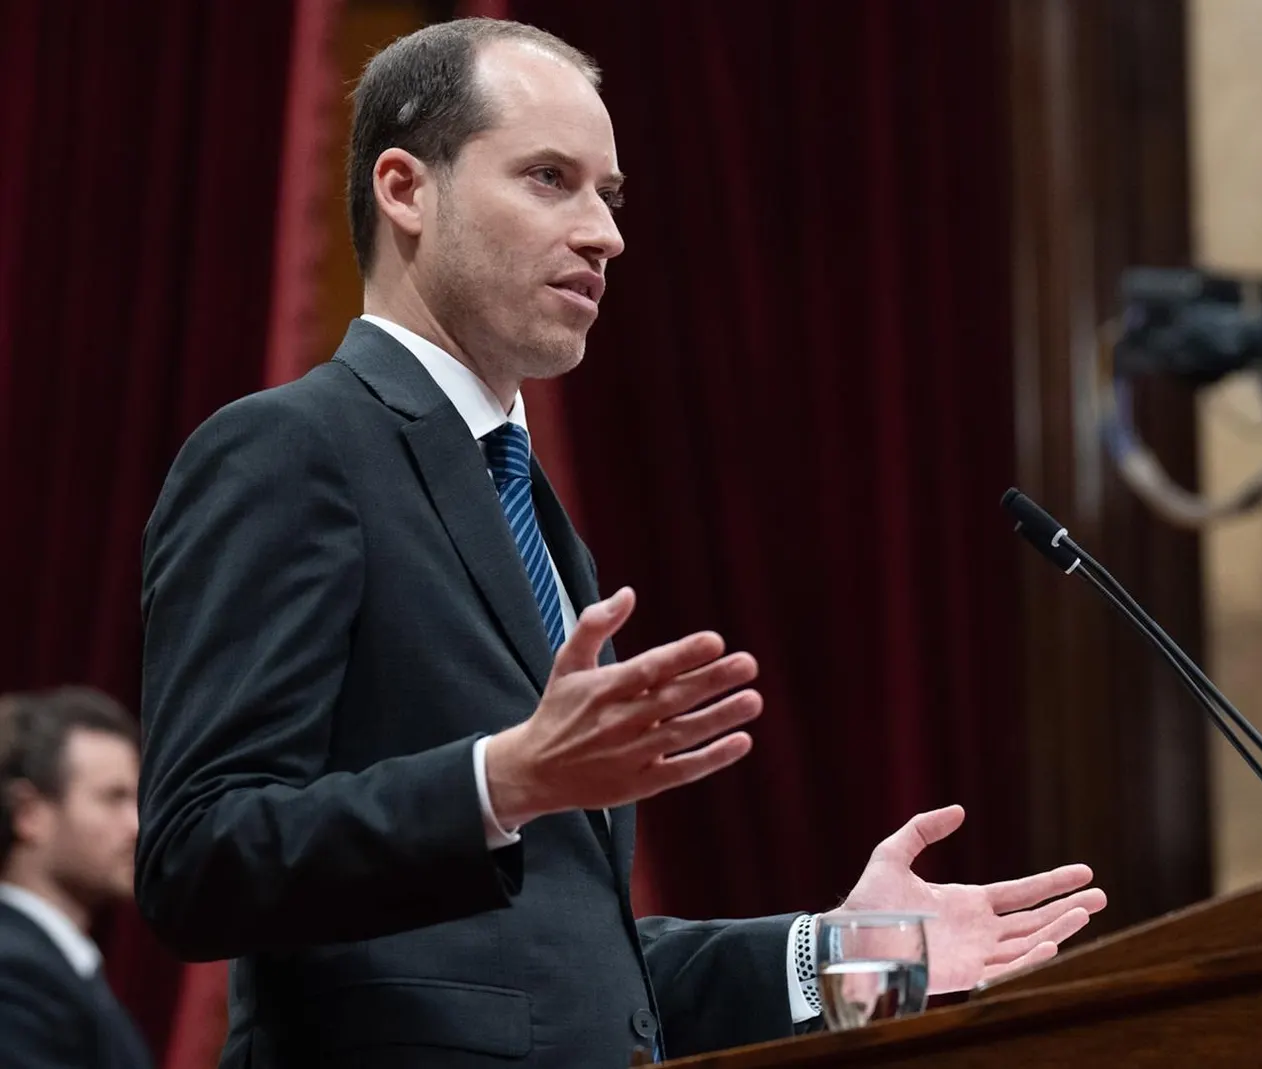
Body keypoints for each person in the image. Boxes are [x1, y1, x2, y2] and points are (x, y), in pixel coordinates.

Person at [136, 17, 1104, 1069]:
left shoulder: (533, 516)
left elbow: (561, 975)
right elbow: (197, 858)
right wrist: (498, 781)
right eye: (551, 179)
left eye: (611, 195)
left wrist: (853, 955)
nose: (605, 234)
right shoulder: (289, 450)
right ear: (406, 189)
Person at [0, 687, 153, 1069]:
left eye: (136, 801)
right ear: (28, 812)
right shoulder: (14, 973)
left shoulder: (59, 966)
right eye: (111, 798)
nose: (137, 826)